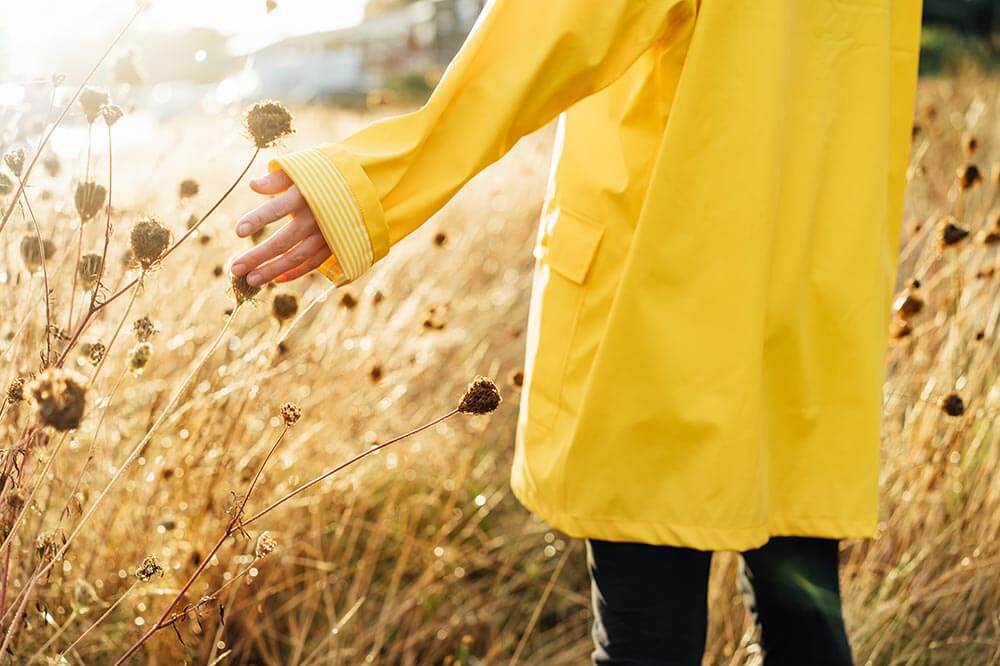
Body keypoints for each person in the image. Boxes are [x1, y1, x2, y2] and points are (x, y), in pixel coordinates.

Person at [230, 1, 923, 663]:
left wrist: (366, 186)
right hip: (814, 305)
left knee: (651, 640)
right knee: (804, 626)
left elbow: (548, 35)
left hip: (665, 311)